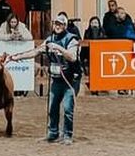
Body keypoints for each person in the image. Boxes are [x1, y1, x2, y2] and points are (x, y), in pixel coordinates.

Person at [8, 13, 82, 145]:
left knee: (67, 108)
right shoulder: (50, 39)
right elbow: (35, 51)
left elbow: (72, 57)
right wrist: (16, 57)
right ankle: (52, 134)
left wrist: (59, 48)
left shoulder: (72, 40)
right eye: (56, 24)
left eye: (60, 24)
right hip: (57, 79)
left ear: (65, 26)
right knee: (52, 107)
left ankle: (67, 136)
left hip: (71, 79)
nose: (57, 26)